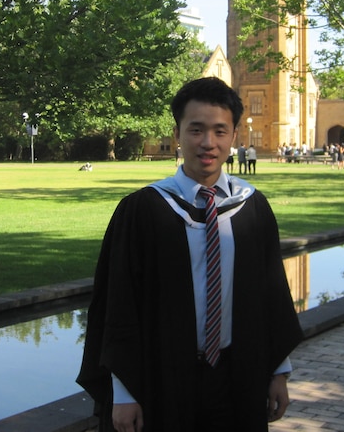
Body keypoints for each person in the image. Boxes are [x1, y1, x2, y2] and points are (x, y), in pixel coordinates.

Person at [77, 77, 303, 432]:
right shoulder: (142, 210)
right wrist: (123, 392)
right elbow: (119, 304)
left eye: (219, 131)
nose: (208, 143)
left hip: (237, 376)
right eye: (196, 130)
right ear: (178, 133)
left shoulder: (252, 208)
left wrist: (278, 370)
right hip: (160, 378)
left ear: (234, 136)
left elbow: (271, 294)